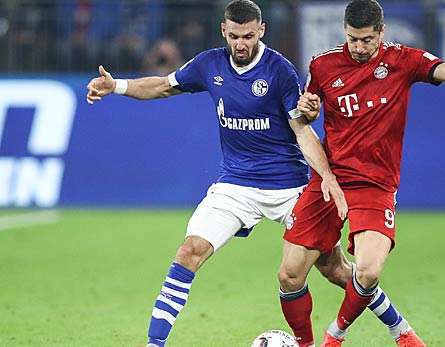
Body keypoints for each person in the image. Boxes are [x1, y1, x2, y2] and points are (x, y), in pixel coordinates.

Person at [86, 1, 409, 346]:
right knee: (189, 251)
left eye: (249, 36)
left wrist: (326, 176)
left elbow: (302, 131)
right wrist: (116, 86)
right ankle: (154, 344)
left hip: (291, 187)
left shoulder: (280, 71)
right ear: (224, 31)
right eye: (235, 36)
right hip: (235, 185)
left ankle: (399, 328)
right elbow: (163, 85)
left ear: (261, 31)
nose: (241, 43)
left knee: (334, 269)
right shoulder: (209, 64)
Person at [277, 1, 445, 346]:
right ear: (344, 32)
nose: (359, 47)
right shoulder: (322, 65)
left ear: (382, 32)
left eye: (367, 40)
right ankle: (336, 339)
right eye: (353, 39)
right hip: (330, 180)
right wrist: (308, 108)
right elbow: (306, 113)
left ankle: (334, 335)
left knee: (367, 270)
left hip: (375, 184)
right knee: (290, 275)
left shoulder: (403, 61)